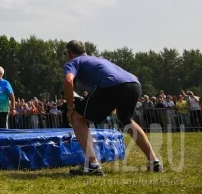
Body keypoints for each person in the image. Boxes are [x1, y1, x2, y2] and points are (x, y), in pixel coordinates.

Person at [62, 40, 163, 176]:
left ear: (68, 54)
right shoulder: (96, 59)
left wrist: (70, 107)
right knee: (126, 120)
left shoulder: (73, 62)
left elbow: (68, 81)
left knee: (77, 118)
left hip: (111, 85)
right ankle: (154, 161)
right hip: (134, 83)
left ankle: (92, 164)